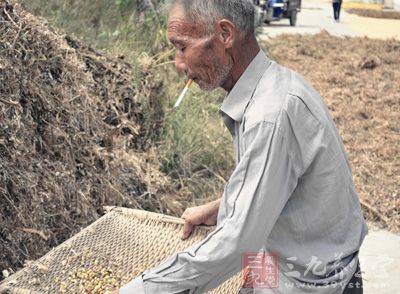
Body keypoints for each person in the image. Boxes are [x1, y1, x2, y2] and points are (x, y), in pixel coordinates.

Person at [116, 0, 367, 293]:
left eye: (183, 47)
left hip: (309, 281)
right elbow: (279, 186)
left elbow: (237, 242)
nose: (179, 63)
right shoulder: (275, 85)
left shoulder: (270, 114)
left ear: (224, 35)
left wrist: (140, 288)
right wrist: (223, 207)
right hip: (284, 261)